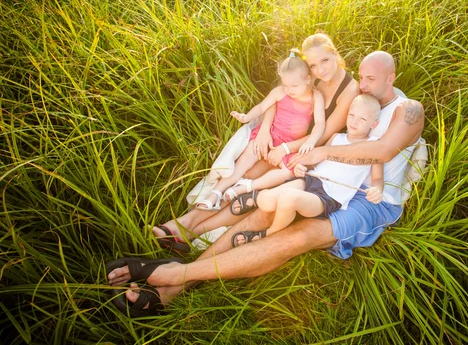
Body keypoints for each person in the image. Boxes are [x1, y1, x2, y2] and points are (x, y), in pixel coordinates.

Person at [107, 50, 425, 316]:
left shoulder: (408, 110)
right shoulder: (359, 101)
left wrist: (322, 152)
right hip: (331, 177)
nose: (363, 85)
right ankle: (176, 285)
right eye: (361, 76)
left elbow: (383, 151)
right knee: (264, 206)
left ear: (391, 78)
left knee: (297, 236)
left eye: (371, 79)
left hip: (369, 200)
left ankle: (176, 274)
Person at [151, 34, 360, 251]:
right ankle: (186, 222)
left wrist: (285, 149)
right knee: (245, 171)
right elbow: (278, 98)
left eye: (325, 61)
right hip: (277, 135)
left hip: (305, 152)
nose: (321, 70)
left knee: (253, 186)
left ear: (335, 53)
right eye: (314, 65)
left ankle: (195, 231)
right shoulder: (310, 75)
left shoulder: (349, 89)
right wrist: (265, 131)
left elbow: (322, 134)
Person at [231, 94, 383, 246]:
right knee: (267, 200)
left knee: (288, 198)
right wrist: (302, 167)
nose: (354, 121)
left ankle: (268, 234)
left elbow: (377, 179)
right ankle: (260, 198)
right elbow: (317, 162)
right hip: (311, 179)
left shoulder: (373, 146)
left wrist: (377, 190)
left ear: (374, 124)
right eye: (351, 115)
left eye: (362, 119)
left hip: (329, 196)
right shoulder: (336, 137)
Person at [193, 48, 326, 211]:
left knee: (288, 172)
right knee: (242, 164)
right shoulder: (280, 92)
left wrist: (311, 140)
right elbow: (263, 106)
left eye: (294, 86)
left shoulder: (315, 97)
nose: (289, 90)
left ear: (307, 79)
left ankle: (247, 186)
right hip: (270, 136)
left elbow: (320, 123)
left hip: (290, 145)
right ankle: (215, 193)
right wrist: (247, 117)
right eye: (285, 85)